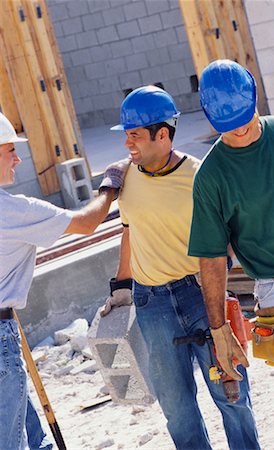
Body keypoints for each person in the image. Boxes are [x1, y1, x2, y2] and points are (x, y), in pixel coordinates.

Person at [101, 85, 260, 450]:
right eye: (126, 137)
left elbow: (231, 240)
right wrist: (121, 285)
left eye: (135, 136)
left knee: (233, 397)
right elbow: (130, 231)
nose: (128, 145)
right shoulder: (126, 179)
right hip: (153, 305)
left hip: (202, 296)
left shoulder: (200, 177)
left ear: (163, 134)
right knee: (177, 409)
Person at [0, 111, 130, 450]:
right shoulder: (14, 211)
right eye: (8, 151)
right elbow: (86, 223)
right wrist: (110, 186)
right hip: (1, 338)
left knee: (29, 431)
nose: (17, 158)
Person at [188, 59, 274, 396]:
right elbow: (209, 258)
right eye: (229, 124)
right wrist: (219, 330)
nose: (240, 129)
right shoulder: (210, 177)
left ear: (255, 98)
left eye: (244, 118)